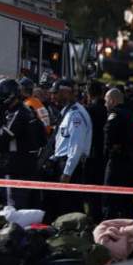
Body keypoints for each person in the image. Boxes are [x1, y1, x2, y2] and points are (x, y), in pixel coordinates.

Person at [0, 78, 47, 210]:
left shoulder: (19, 113)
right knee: (27, 211)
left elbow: (0, 139)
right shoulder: (24, 110)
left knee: (15, 210)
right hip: (26, 166)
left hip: (18, 170)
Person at [48, 78, 93, 219]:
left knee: (70, 208)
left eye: (55, 93)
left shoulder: (75, 115)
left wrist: (67, 172)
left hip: (70, 166)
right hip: (63, 162)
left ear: (66, 93)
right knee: (64, 207)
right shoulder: (67, 111)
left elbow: (76, 147)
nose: (52, 96)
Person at [102, 88, 133, 219]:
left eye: (106, 101)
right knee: (127, 200)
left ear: (112, 101)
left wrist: (108, 152)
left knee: (110, 197)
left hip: (117, 162)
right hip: (131, 162)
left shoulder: (114, 114)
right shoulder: (132, 114)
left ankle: (109, 225)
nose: (105, 104)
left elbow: (109, 136)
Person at [84, 81, 108, 222]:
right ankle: (99, 213)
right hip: (103, 151)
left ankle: (94, 215)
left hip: (92, 151)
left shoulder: (89, 110)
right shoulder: (106, 109)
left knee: (91, 186)